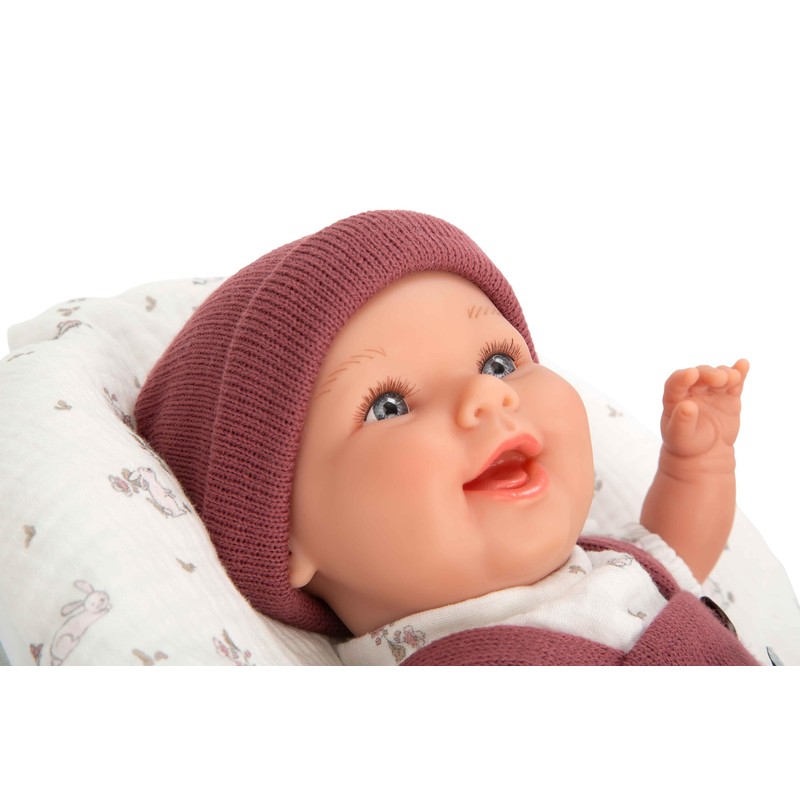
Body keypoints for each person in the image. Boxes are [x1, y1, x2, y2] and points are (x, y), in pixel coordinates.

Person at [134, 210, 759, 665]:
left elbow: (681, 549)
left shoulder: (610, 566)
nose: (485, 394)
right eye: (389, 405)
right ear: (282, 535)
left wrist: (696, 466)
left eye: (498, 363)